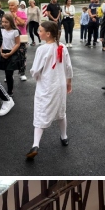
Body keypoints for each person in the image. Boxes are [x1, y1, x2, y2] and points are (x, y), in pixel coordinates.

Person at [25, 20, 71, 161]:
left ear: (48, 34)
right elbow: (68, 67)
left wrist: (36, 75)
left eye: (40, 31)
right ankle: (64, 136)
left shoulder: (42, 49)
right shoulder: (62, 47)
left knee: (41, 111)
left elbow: (36, 70)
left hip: (46, 85)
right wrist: (69, 82)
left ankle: (35, 144)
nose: (38, 33)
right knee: (61, 111)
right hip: (60, 85)